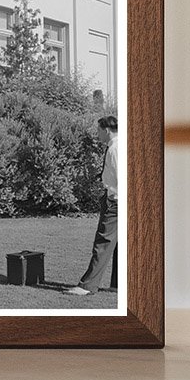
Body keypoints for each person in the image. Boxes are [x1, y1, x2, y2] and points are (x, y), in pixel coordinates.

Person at [67, 115, 118, 296]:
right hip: (116, 200)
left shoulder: (115, 149)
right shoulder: (117, 147)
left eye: (98, 130)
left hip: (116, 202)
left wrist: (114, 199)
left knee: (103, 242)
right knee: (118, 244)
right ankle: (117, 284)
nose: (97, 134)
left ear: (106, 130)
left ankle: (87, 286)